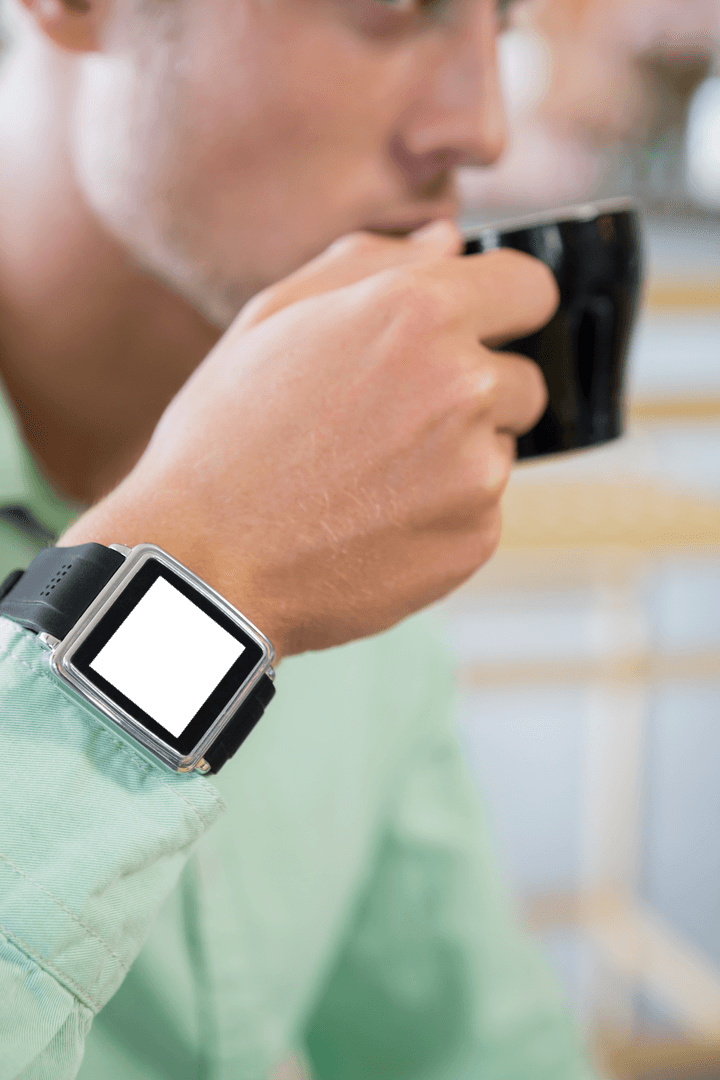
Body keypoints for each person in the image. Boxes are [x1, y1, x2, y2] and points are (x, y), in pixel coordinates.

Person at [0, 0, 594, 1077]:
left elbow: (464, 1043)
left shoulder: (348, 487)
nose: (484, 129)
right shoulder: (306, 504)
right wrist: (196, 578)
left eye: (502, 21)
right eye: (397, 8)